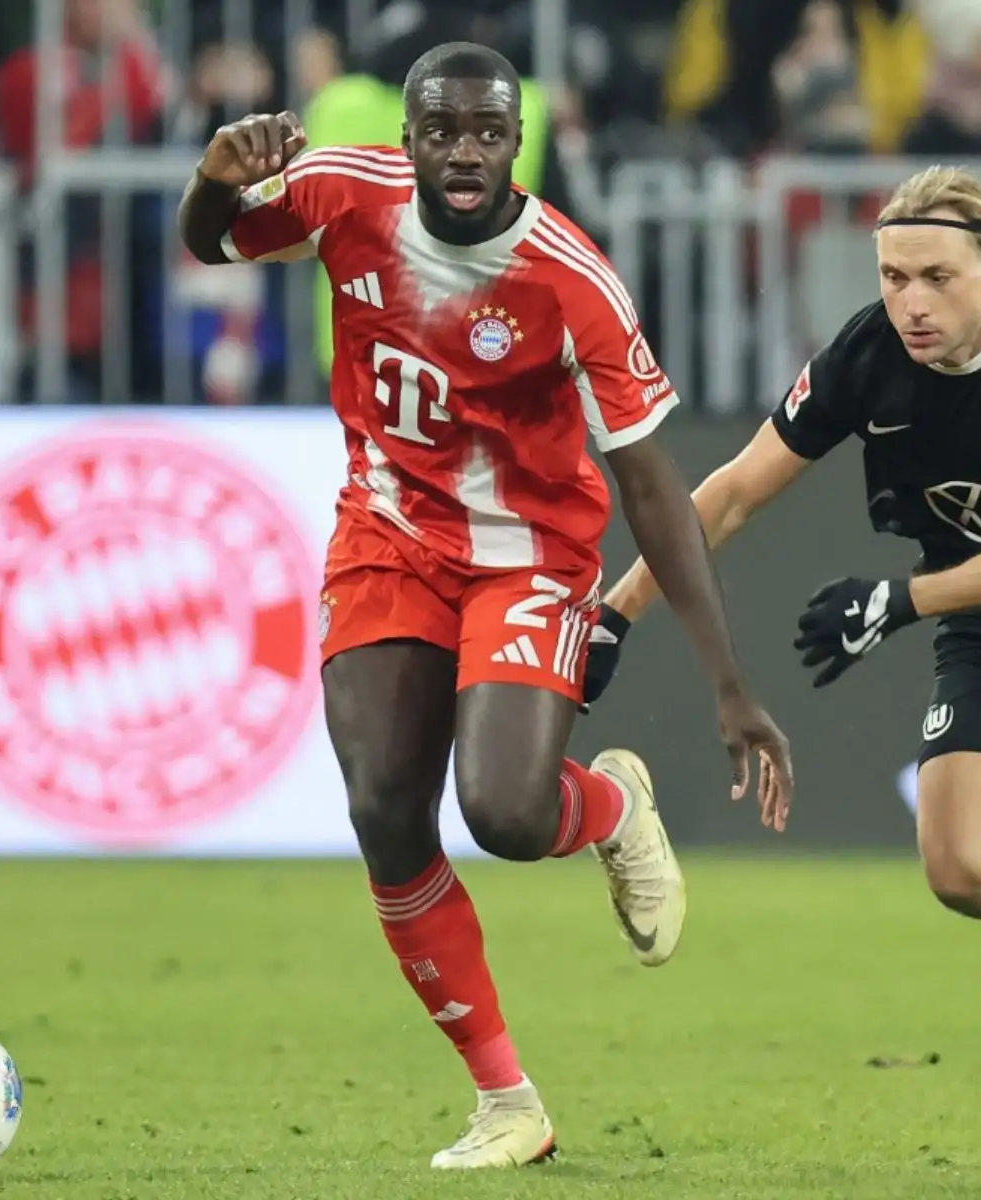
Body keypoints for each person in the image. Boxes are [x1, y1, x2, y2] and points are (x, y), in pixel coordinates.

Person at [176, 42, 795, 1171]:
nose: (465, 151)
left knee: (505, 815)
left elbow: (654, 491)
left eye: (487, 133)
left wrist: (728, 684)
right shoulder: (342, 192)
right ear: (408, 138)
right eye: (443, 130)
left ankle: (604, 811)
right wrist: (215, 179)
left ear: (518, 144)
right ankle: (507, 1101)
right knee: (383, 806)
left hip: (528, 554)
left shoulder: (573, 280)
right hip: (387, 531)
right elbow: (210, 240)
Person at [584, 166, 981, 1158]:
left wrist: (899, 599)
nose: (911, 301)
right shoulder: (866, 357)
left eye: (937, 276)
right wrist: (614, 615)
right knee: (962, 871)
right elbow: (734, 492)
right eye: (893, 274)